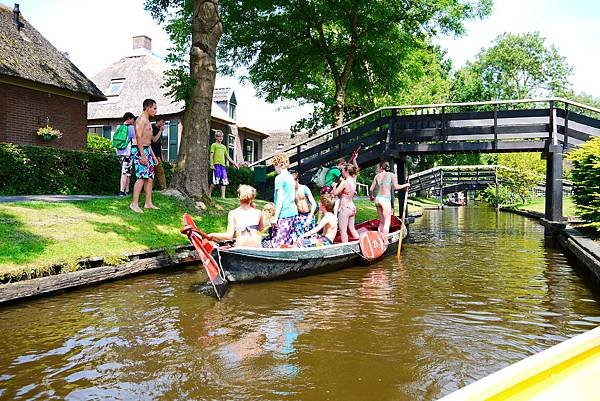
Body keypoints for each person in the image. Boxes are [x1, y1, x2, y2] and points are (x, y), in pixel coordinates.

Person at [130, 98, 159, 213]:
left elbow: (148, 141)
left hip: (147, 150)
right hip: (139, 150)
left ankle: (148, 203)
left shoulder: (148, 121)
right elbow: (138, 138)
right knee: (142, 177)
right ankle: (134, 204)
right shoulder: (141, 120)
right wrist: (142, 156)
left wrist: (153, 156)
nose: (156, 111)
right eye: (154, 108)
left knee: (150, 178)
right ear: (147, 107)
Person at [369, 161, 411, 235]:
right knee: (387, 222)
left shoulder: (377, 176)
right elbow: (396, 187)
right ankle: (385, 240)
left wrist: (371, 196)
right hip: (385, 200)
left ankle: (380, 239)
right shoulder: (392, 175)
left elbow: (371, 189)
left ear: (381, 167)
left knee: (381, 222)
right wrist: (406, 185)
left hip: (378, 199)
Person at [269, 153, 298, 248]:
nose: (274, 169)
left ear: (278, 164)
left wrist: (275, 217)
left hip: (284, 214)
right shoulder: (290, 177)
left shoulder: (279, 178)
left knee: (278, 244)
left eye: (274, 166)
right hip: (293, 213)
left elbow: (280, 198)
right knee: (290, 241)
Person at [333, 163, 360, 242]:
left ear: (346, 171)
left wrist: (334, 186)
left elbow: (335, 193)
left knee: (343, 231)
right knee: (352, 228)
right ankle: (359, 242)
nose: (341, 172)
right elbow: (346, 192)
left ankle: (345, 248)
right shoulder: (353, 180)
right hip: (352, 207)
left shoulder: (344, 182)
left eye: (342, 170)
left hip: (345, 208)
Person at [209, 131, 238, 199]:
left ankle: (223, 196)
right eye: (219, 136)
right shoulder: (214, 145)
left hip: (223, 166)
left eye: (222, 136)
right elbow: (211, 155)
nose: (220, 138)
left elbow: (227, 156)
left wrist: (234, 163)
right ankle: (209, 194)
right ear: (216, 137)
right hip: (216, 165)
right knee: (215, 180)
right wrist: (211, 164)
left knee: (224, 181)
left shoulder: (224, 147)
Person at [291, 171, 317, 237]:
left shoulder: (304, 188)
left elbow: (313, 203)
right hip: (299, 215)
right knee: (299, 235)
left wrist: (310, 216)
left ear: (297, 180)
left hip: (308, 214)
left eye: (293, 180)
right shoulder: (291, 191)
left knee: (311, 236)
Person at [116, 112, 136, 196]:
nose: (133, 121)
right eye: (132, 119)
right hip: (128, 152)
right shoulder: (131, 128)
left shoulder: (118, 127)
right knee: (125, 172)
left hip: (119, 152)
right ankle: (121, 191)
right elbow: (135, 139)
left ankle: (126, 190)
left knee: (127, 171)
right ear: (129, 118)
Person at [151, 116, 167, 190]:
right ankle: (164, 188)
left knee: (154, 171)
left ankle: (150, 189)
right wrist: (160, 131)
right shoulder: (152, 128)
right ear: (158, 121)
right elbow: (154, 140)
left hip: (157, 154)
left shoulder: (158, 129)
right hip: (153, 154)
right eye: (162, 121)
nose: (164, 123)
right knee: (160, 171)